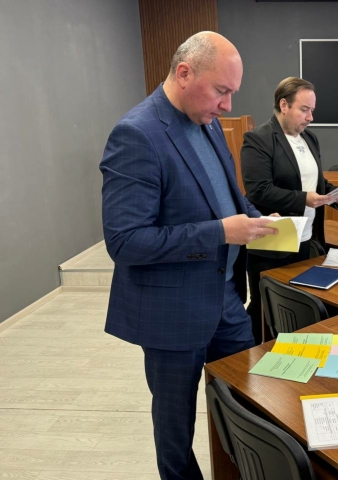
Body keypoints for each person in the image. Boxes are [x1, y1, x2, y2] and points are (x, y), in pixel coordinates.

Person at [99, 32, 277, 480]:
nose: (228, 105)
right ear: (184, 74)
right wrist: (220, 233)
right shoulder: (137, 134)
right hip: (172, 312)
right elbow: (125, 241)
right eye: (221, 91)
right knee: (176, 427)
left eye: (232, 92)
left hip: (226, 301)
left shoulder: (208, 122)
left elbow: (227, 198)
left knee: (247, 403)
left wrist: (257, 219)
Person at [241, 77, 338, 343]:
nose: (310, 117)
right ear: (284, 105)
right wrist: (304, 199)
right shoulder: (258, 139)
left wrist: (335, 195)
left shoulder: (309, 138)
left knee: (300, 306)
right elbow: (258, 190)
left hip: (307, 240)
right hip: (272, 242)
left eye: (312, 110)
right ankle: (250, 358)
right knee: (265, 308)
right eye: (304, 110)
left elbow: (314, 181)